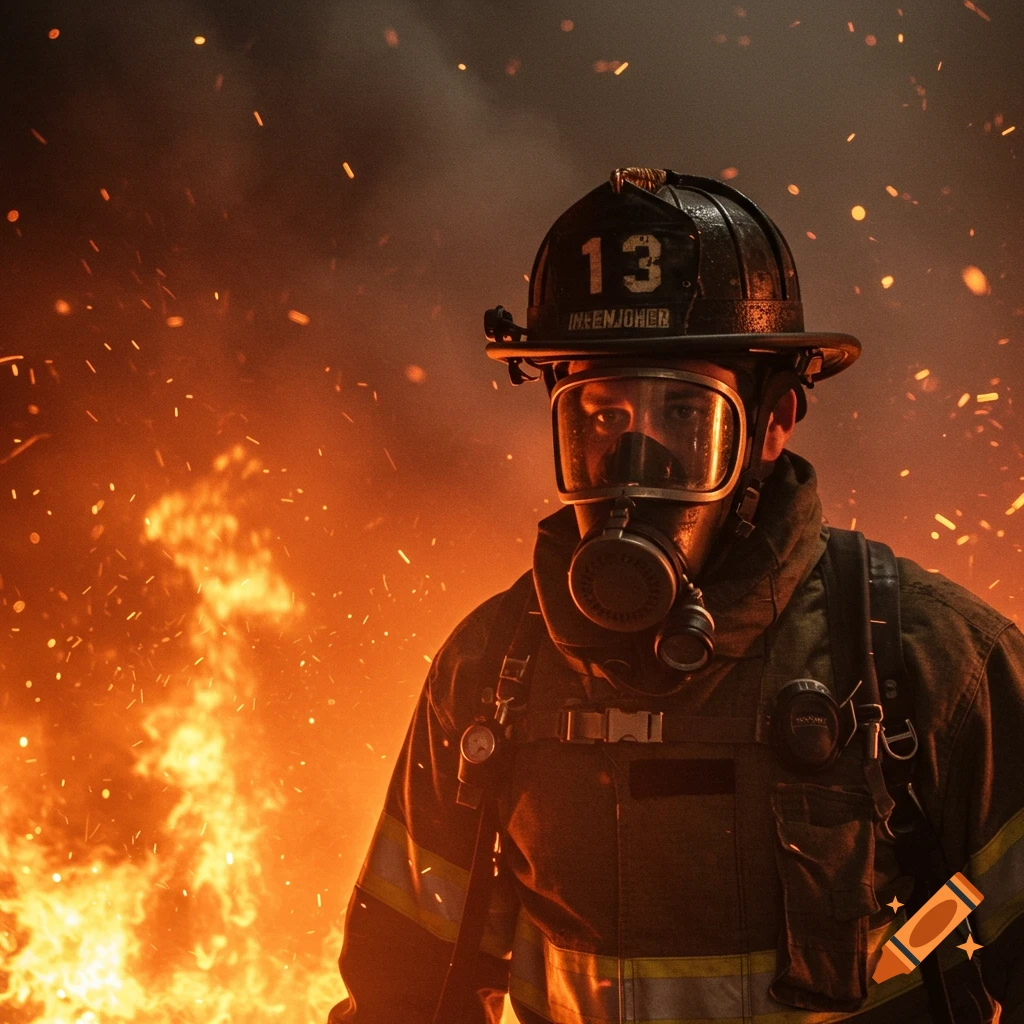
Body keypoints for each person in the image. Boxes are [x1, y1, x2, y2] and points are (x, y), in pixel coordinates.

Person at [327, 168, 1024, 1023]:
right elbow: (405, 992)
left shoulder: (927, 661)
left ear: (774, 421)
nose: (633, 472)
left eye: (685, 423)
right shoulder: (489, 675)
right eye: (601, 421)